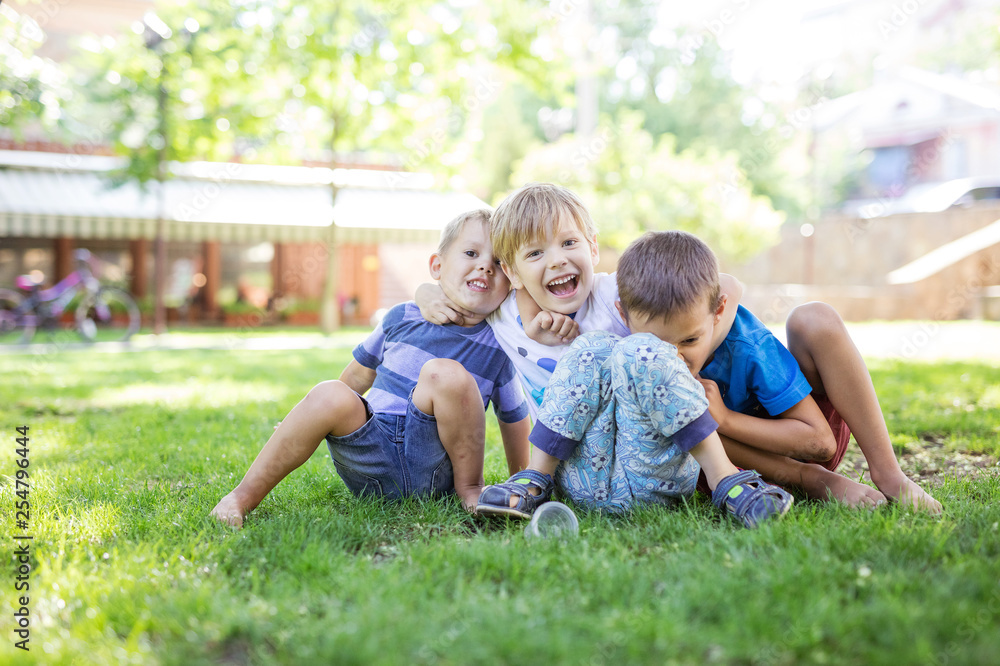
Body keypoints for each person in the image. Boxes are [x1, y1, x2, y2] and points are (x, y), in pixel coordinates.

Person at [419, 184, 793, 528]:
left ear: (593, 248)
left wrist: (680, 360)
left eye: (568, 243)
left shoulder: (617, 292)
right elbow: (455, 290)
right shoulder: (503, 315)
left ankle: (726, 480)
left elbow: (727, 286)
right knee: (592, 349)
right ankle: (536, 480)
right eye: (536, 252)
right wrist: (425, 292)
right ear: (512, 273)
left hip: (655, 464)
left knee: (626, 347)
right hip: (579, 479)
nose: (556, 261)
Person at [211, 210, 531, 527]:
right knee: (329, 391)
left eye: (499, 262)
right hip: (371, 455)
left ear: (511, 281)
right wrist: (308, 417)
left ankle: (471, 492)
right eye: (471, 253)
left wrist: (523, 482)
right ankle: (240, 498)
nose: (485, 265)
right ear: (437, 265)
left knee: (444, 373)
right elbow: (356, 377)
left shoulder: (502, 341)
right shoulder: (402, 317)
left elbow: (513, 418)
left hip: (435, 464)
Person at [613, 230, 942, 513]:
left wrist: (725, 418)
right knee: (674, 405)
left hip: (797, 445)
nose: (676, 358)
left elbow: (820, 443)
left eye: (690, 340)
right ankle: (809, 481)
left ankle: (888, 473)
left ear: (719, 312)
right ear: (623, 318)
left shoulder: (747, 345)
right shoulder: (628, 348)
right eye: (656, 344)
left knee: (815, 318)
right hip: (719, 472)